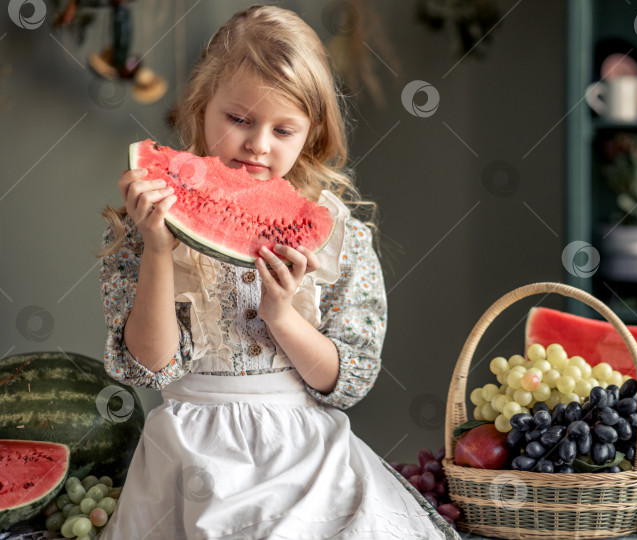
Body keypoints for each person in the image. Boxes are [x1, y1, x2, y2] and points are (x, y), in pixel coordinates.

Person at [97, 5, 459, 539]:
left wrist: (281, 315)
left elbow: (344, 382)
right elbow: (151, 369)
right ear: (201, 107)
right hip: (188, 455)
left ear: (311, 134)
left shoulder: (340, 234)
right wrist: (156, 250)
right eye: (239, 119)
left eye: (283, 128)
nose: (259, 144)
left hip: (306, 459)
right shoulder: (145, 219)